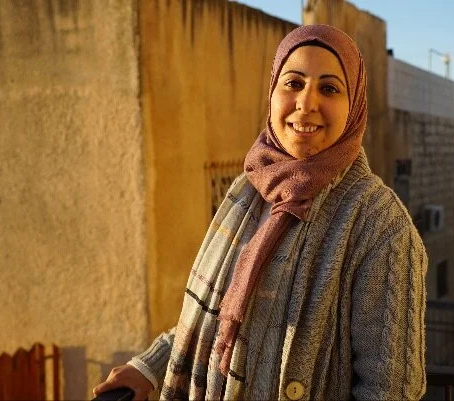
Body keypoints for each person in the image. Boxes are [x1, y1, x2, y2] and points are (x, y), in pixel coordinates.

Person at [93, 24, 427, 401]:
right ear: (272, 93)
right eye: (293, 83)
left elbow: (389, 390)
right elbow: (216, 313)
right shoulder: (248, 190)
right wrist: (149, 367)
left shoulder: (380, 226)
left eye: (330, 88)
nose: (306, 103)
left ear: (355, 106)